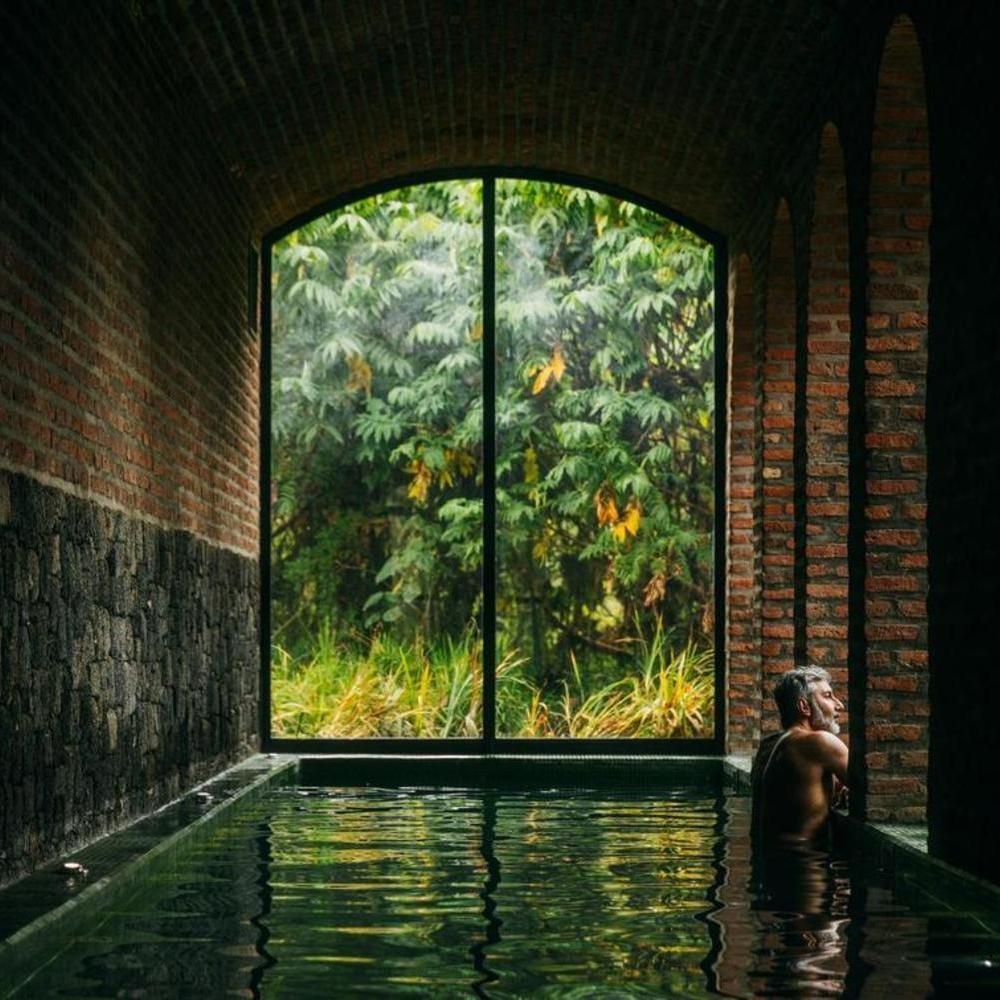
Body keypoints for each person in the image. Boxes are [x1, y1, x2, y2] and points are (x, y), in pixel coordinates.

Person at [751, 665, 848, 845]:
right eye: (828, 696)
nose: (839, 705)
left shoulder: (768, 746)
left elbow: (803, 792)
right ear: (804, 706)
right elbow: (871, 788)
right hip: (804, 859)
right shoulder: (821, 742)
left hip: (765, 857)